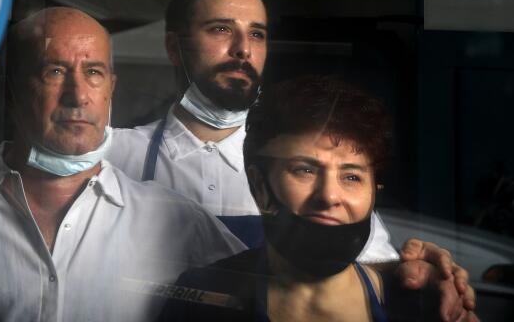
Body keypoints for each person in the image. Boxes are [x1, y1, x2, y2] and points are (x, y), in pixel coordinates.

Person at [0, 0, 478, 318]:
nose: (243, 49)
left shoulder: (308, 161)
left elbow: (362, 269)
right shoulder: (115, 151)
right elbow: (37, 166)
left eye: (256, 34)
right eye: (221, 30)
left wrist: (424, 277)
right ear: (174, 47)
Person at [0, 7, 245, 321]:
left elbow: (268, 295)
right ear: (13, 89)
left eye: (92, 72)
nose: (77, 96)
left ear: (111, 85)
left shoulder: (175, 222)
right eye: (54, 72)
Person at [157, 75, 435, 321]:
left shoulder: (421, 305)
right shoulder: (201, 302)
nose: (329, 196)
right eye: (305, 170)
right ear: (259, 186)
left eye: (352, 176)